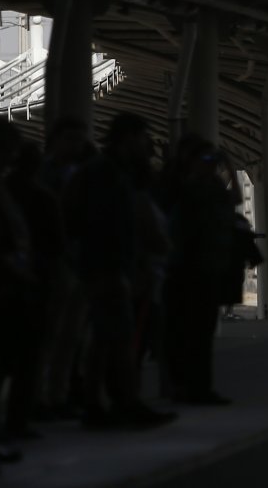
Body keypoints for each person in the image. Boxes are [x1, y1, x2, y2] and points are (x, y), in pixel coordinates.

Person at [67, 113, 175, 429]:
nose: (148, 145)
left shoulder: (109, 172)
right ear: (128, 138)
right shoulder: (108, 175)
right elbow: (108, 224)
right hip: (107, 266)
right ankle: (122, 402)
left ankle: (97, 404)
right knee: (118, 337)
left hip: (107, 265)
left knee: (105, 339)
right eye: (144, 138)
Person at [164, 137, 251, 405]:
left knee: (202, 330)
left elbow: (235, 198)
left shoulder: (211, 185)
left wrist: (229, 166)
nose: (211, 166)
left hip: (209, 266)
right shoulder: (185, 188)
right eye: (206, 161)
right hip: (189, 269)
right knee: (190, 331)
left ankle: (199, 386)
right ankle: (188, 387)